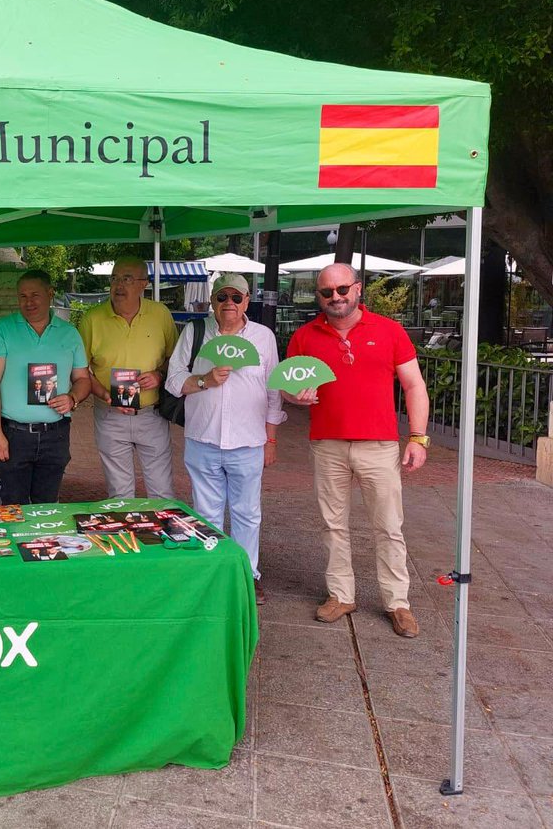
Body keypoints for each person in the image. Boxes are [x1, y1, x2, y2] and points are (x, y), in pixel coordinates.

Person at [282, 262, 430, 638]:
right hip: (327, 444)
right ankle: (341, 594)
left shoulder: (389, 330)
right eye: (327, 292)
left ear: (358, 289)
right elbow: (286, 386)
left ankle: (398, 602)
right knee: (332, 526)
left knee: (389, 527)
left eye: (342, 289)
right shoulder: (304, 336)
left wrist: (418, 437)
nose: (335, 298)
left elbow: (413, 385)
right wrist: (295, 398)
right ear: (319, 295)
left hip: (379, 445)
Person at [165, 273, 285, 605]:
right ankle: (212, 572)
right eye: (222, 297)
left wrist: (271, 439)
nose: (228, 303)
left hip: (248, 441)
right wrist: (203, 380)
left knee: (248, 512)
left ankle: (247, 575)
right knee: (206, 512)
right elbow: (173, 381)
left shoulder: (263, 337)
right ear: (213, 301)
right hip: (203, 439)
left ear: (247, 301)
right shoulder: (195, 331)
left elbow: (273, 390)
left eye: (236, 297)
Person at [0, 269, 90, 505]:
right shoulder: (3, 329)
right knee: (13, 505)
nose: (28, 302)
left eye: (35, 295)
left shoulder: (69, 333)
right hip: (14, 434)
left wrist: (72, 398)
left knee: (48, 505)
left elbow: (83, 379)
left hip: (56, 433)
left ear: (50, 293)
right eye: (22, 296)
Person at [77, 256, 179, 499]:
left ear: (143, 283)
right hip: (110, 415)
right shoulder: (92, 319)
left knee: (162, 491)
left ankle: (160, 536)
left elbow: (175, 360)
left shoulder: (160, 314)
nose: (118, 285)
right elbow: (80, 370)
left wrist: (159, 375)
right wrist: (105, 395)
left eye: (127, 279)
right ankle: (125, 538)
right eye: (114, 278)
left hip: (151, 414)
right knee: (119, 493)